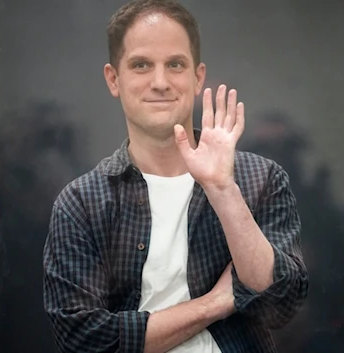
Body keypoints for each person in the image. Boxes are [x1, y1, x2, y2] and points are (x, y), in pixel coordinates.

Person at [42, 0, 308, 352]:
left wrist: (222, 188)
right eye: (141, 65)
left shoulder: (260, 178)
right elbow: (82, 339)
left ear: (197, 78)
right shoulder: (82, 202)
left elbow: (280, 304)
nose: (160, 82)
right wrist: (216, 303)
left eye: (175, 64)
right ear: (113, 79)